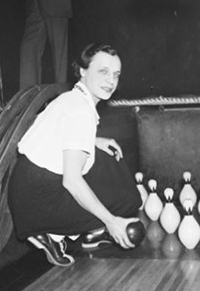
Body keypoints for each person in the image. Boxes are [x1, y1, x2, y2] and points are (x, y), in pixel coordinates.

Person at [8, 43, 142, 267]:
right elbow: (72, 181)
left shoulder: (72, 98)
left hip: (27, 186)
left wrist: (94, 142)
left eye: (116, 74)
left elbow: (53, 134)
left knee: (111, 165)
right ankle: (51, 234)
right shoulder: (80, 111)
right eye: (103, 71)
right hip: (40, 203)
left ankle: (90, 234)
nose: (111, 80)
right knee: (128, 202)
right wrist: (111, 222)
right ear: (82, 70)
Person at [19, 0, 86, 90]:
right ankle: (28, 96)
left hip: (56, 2)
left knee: (60, 56)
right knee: (28, 50)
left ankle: (62, 96)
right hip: (34, 3)